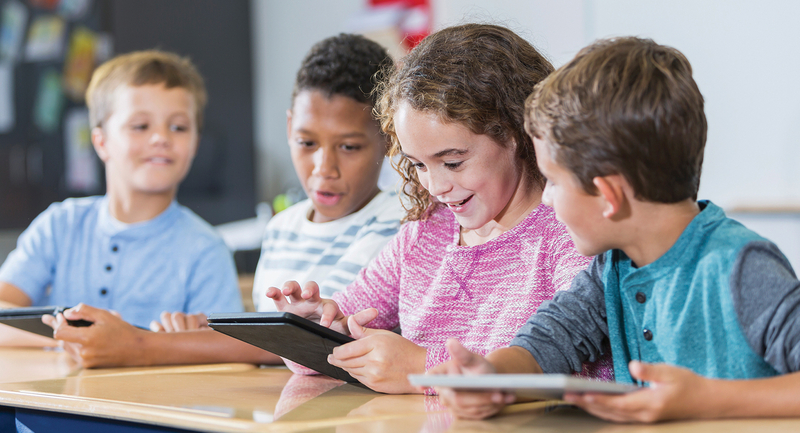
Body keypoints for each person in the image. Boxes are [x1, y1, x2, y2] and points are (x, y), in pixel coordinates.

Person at [430, 36, 800, 423]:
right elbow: (547, 341)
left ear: (608, 196)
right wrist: (492, 378)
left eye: (553, 181)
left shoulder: (740, 267)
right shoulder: (612, 267)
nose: (546, 199)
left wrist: (709, 400)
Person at [268, 23, 612, 395]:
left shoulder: (569, 234)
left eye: (452, 162)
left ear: (514, 132)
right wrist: (314, 333)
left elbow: (589, 375)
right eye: (417, 164)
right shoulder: (425, 233)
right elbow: (329, 339)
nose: (434, 186)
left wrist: (421, 367)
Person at [44, 34, 405, 368]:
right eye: (306, 143)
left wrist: (141, 345)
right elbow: (272, 339)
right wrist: (209, 328)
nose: (324, 169)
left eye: (349, 147)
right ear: (289, 126)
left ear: (389, 135)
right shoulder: (282, 228)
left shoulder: (402, 225)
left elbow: (320, 342)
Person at [0, 50, 242, 353]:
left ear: (194, 142)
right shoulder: (60, 225)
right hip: (55, 399)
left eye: (178, 127)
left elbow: (229, 349)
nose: (160, 138)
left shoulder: (206, 249)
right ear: (101, 142)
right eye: (141, 126)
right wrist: (77, 339)